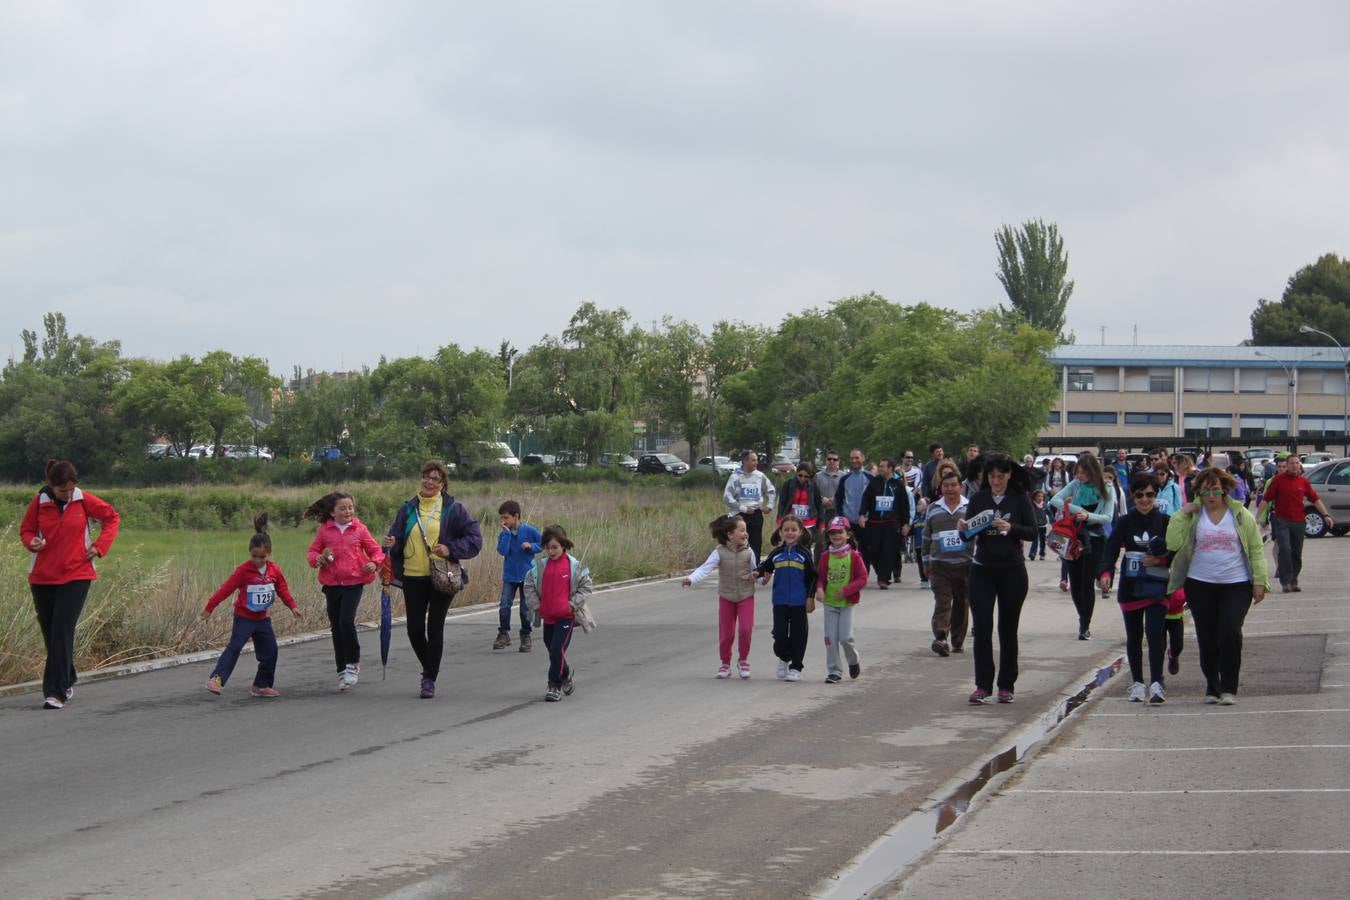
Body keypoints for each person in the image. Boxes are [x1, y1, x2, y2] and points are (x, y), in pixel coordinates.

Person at [20, 459, 120, 710]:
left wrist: (99, 546)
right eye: (61, 490)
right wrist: (31, 542)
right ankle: (68, 676)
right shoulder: (39, 502)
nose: (67, 495)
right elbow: (26, 530)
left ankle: (55, 692)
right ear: (50, 486)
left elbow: (112, 517)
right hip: (42, 577)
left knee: (62, 630)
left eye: (70, 489)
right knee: (50, 633)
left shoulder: (83, 499)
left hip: (77, 574)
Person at [1167, 466, 1270, 705]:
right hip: (1200, 583)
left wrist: (1259, 581)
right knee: (1207, 635)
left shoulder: (1240, 515)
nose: (1211, 496)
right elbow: (1173, 542)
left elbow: (1255, 549)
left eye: (1215, 491)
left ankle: (1229, 687)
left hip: (1236, 583)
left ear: (1224, 490)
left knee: (1230, 630)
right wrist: (1182, 514)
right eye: (1205, 492)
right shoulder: (1193, 515)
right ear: (1198, 493)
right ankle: (1212, 685)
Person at [381, 460, 484, 699]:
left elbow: (475, 538)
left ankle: (429, 679)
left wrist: (451, 548)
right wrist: (388, 544)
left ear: (442, 484)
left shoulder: (453, 509)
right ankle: (430, 666)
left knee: (434, 626)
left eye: (435, 478)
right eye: (426, 476)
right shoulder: (408, 508)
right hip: (412, 576)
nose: (429, 481)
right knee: (414, 629)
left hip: (442, 576)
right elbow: (395, 537)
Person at [960, 454, 1037, 704]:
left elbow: (1034, 532)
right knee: (982, 628)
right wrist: (963, 529)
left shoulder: (1019, 499)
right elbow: (967, 535)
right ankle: (983, 685)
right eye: (991, 476)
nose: (996, 481)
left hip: (1012, 570)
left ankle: (1006, 685)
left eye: (1000, 476)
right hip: (983, 569)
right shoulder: (979, 498)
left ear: (1009, 475)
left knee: (1007, 629)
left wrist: (1011, 528)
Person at [203, 514, 302, 698]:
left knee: (271, 651)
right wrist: (210, 607)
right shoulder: (243, 570)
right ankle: (216, 679)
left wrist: (293, 606)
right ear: (250, 552)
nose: (257, 561)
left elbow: (283, 589)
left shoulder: (274, 570)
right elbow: (226, 588)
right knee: (235, 647)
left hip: (262, 619)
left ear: (269, 554)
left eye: (262, 557)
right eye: (254, 556)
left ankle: (261, 685)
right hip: (244, 618)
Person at [1098, 474, 1172, 703]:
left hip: (1157, 584)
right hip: (1130, 585)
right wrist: (1105, 572)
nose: (1144, 500)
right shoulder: (1124, 521)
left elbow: (1178, 552)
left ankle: (1157, 683)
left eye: (1149, 494)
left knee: (1155, 632)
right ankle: (1138, 683)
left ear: (1155, 495)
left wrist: (1161, 561)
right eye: (1139, 495)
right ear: (1133, 496)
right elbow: (1110, 549)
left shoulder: (1166, 521)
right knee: (1134, 635)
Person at [306, 491, 385, 692]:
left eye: (350, 507)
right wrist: (318, 560)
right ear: (332, 512)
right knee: (335, 627)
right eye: (342, 508)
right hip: (332, 584)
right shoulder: (325, 531)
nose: (348, 511)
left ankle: (353, 662)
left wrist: (374, 564)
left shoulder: (359, 529)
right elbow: (312, 552)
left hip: (354, 582)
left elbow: (376, 551)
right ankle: (342, 670)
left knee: (345, 621)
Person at [523, 525, 594, 702]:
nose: (551, 551)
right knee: (553, 650)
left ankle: (554, 685)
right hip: (548, 617)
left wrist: (572, 605)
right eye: (548, 547)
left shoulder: (575, 566)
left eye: (555, 547)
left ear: (563, 545)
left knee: (556, 649)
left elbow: (587, 587)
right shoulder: (538, 566)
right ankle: (566, 674)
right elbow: (529, 586)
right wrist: (536, 606)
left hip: (566, 617)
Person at [1049, 453, 1116, 640]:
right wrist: (1077, 510)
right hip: (1073, 538)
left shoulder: (1107, 488)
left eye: (1083, 473)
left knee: (1086, 583)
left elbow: (1108, 517)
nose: (1080, 476)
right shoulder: (1075, 485)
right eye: (1077, 473)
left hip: (1094, 539)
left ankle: (1084, 625)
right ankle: (1082, 617)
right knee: (1075, 583)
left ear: (1092, 472)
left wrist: (1088, 516)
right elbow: (1053, 501)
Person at [683, 514, 758, 679]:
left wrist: (760, 577)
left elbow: (757, 571)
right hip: (726, 597)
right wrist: (691, 579)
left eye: (746, 531)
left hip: (746, 596)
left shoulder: (749, 552)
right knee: (726, 634)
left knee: (745, 630)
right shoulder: (719, 552)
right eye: (742, 530)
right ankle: (725, 664)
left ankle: (743, 661)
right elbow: (705, 568)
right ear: (730, 534)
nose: (745, 534)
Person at [1258, 455, 1333, 592]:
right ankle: (1285, 581)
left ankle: (1293, 580)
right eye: (1291, 463)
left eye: (1297, 463)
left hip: (1299, 522)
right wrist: (1257, 518)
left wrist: (1326, 515)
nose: (1294, 465)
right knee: (1285, 549)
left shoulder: (1303, 481)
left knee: (1296, 553)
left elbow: (1315, 499)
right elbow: (1266, 499)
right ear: (1287, 465)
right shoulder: (1278, 480)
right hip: (1282, 521)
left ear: (1300, 465)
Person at [757, 515, 817, 681]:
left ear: (800, 532)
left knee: (799, 635)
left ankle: (796, 666)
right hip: (780, 601)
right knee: (779, 635)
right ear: (781, 532)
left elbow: (813, 577)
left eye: (794, 530)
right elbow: (766, 566)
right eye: (786, 530)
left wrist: (810, 597)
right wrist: (757, 572)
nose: (790, 533)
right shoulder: (776, 553)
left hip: (799, 602)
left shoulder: (804, 554)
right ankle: (784, 657)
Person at [922, 469, 972, 657]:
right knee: (942, 602)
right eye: (946, 486)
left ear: (961, 487)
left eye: (953, 485)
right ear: (940, 488)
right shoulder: (933, 508)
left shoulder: (970, 508)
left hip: (965, 565)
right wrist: (926, 562)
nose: (949, 489)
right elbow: (926, 537)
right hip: (939, 566)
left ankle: (957, 639)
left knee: (961, 603)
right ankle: (941, 638)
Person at [815, 517, 868, 683]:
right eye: (833, 533)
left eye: (840, 532)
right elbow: (820, 577)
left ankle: (854, 661)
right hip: (830, 604)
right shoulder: (825, 556)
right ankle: (834, 671)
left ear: (848, 535)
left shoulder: (854, 556)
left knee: (845, 638)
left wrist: (846, 591)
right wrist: (819, 589)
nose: (836, 536)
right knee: (830, 639)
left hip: (847, 603)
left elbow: (862, 578)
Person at [495, 499, 542, 652]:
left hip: (526, 576)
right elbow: (502, 551)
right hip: (510, 576)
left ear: (516, 516)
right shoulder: (503, 534)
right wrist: (507, 535)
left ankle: (525, 635)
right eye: (501, 518)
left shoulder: (529, 531)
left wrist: (531, 546)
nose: (503, 521)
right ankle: (503, 633)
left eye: (506, 518)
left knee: (524, 608)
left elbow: (543, 543)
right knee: (504, 605)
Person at [860, 457, 910, 588]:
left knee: (888, 551)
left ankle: (883, 578)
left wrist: (905, 523)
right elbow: (866, 499)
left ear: (890, 469)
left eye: (883, 466)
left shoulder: (898, 485)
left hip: (891, 523)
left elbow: (904, 505)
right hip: (874, 522)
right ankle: (881, 573)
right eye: (880, 466)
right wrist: (861, 514)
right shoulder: (874, 483)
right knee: (874, 551)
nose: (880, 468)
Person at [723, 450, 776, 559]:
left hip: (756, 514)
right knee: (740, 543)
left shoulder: (760, 476)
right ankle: (739, 568)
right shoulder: (735, 477)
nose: (756, 463)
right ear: (745, 461)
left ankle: (755, 569)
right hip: (739, 515)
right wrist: (743, 508)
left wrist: (769, 506)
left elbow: (771, 491)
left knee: (756, 544)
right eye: (753, 460)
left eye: (756, 460)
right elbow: (727, 497)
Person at [834, 449, 875, 572]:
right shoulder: (845, 479)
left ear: (862, 458)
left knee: (865, 549)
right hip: (849, 520)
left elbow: (874, 499)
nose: (854, 461)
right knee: (850, 548)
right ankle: (850, 573)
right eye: (852, 458)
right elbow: (838, 498)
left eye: (857, 458)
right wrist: (841, 516)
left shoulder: (870, 478)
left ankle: (864, 573)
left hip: (866, 520)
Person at [776, 460, 825, 543]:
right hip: (791, 521)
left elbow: (819, 505)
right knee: (790, 544)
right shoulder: (788, 484)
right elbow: (782, 504)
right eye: (800, 475)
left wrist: (821, 524)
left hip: (808, 522)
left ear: (809, 476)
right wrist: (779, 520)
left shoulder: (813, 486)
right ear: (796, 473)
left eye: (806, 476)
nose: (802, 478)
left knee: (806, 547)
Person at [1028, 489, 1048, 560]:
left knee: (1043, 541)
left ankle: (1042, 554)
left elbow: (1050, 514)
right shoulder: (1031, 505)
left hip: (1043, 525)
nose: (1040, 498)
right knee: (1035, 540)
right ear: (1034, 497)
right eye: (1038, 496)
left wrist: (1053, 521)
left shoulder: (1045, 505)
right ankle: (1032, 553)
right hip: (1035, 526)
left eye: (1042, 496)